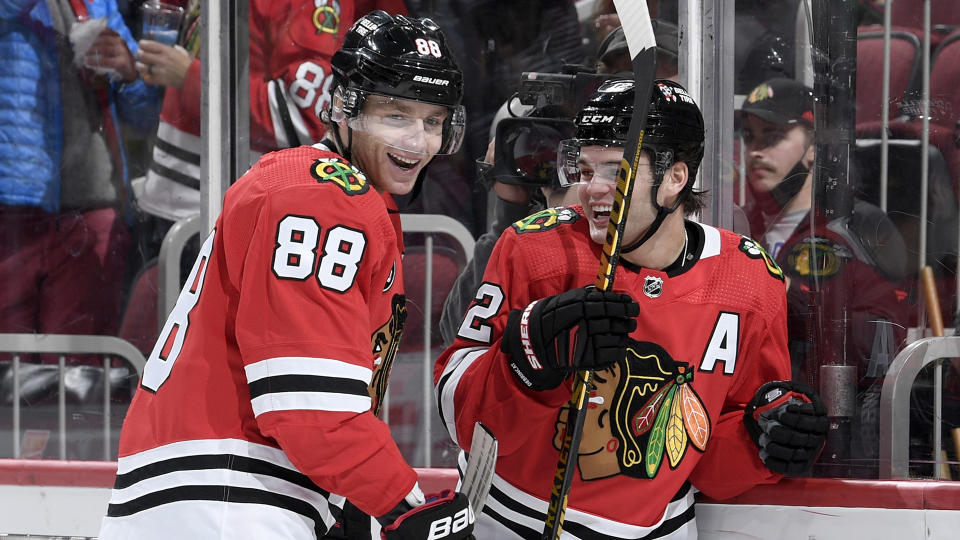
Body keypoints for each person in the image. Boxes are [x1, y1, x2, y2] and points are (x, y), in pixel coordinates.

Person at [98, 11, 474, 539]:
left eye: (433, 121)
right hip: (230, 497)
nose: (417, 141)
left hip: (211, 495)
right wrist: (403, 506)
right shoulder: (321, 198)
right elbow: (307, 405)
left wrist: (359, 504)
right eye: (396, 115)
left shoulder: (317, 189)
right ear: (344, 107)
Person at [435, 78, 828, 538]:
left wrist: (765, 443)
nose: (592, 190)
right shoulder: (535, 248)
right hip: (509, 520)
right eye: (584, 170)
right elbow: (454, 409)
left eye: (614, 172)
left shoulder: (750, 282)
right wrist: (525, 358)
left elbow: (703, 452)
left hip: (659, 528)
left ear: (676, 179)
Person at [737, 77, 911, 473]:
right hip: (750, 431)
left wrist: (794, 302)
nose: (756, 150)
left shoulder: (848, 231)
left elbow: (888, 338)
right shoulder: (734, 226)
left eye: (774, 135)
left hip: (821, 440)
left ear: (814, 148)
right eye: (749, 136)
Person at [0, 0, 159, 341]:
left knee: (83, 370)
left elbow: (145, 118)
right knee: (9, 369)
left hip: (91, 208)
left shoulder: (99, 3)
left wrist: (129, 72)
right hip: (11, 211)